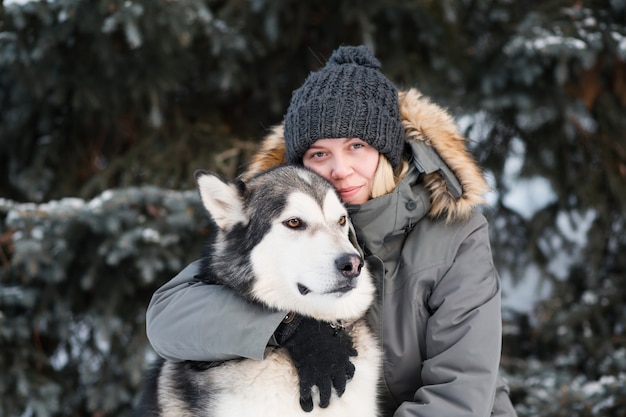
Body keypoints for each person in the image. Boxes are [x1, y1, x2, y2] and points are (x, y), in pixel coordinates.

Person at [146, 45, 518, 416]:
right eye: (319, 154)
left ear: (386, 151)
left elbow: (460, 394)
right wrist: (284, 327)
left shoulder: (455, 234)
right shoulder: (277, 214)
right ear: (300, 166)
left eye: (356, 146)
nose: (340, 169)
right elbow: (169, 318)